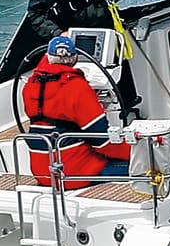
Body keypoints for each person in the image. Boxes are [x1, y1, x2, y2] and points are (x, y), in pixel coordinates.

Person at [22, 35, 131, 189]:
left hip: (43, 174)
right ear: (75, 59)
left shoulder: (30, 86)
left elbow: (45, 68)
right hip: (75, 173)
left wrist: (57, 42)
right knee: (141, 166)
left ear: (48, 56)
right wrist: (134, 151)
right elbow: (102, 142)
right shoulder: (77, 88)